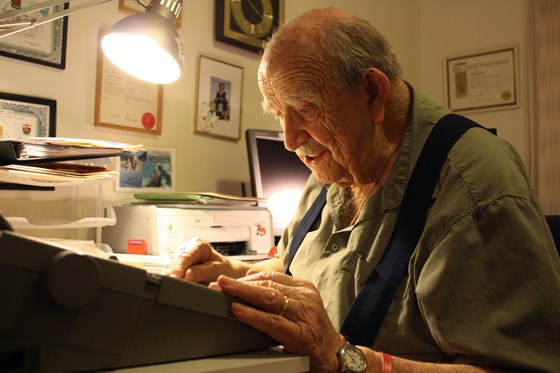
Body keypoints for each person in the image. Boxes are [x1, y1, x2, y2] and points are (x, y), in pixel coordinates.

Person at [168, 8, 560, 373]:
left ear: (372, 92)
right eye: (277, 115)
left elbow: (517, 368)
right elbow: (298, 265)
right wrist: (233, 271)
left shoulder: (473, 184)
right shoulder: (335, 163)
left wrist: (340, 357)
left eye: (305, 109)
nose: (288, 140)